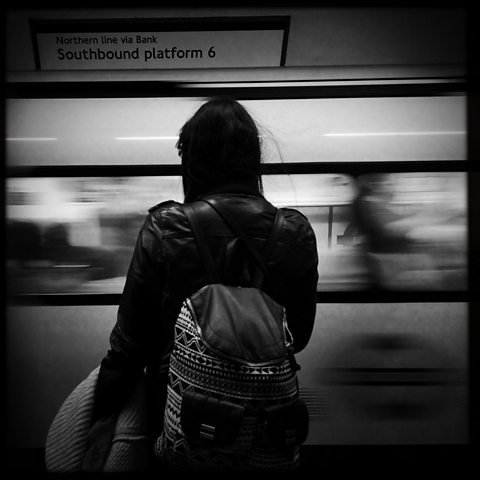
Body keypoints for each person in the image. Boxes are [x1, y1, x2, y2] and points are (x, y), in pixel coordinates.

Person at [89, 97, 319, 471]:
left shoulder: (165, 227)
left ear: (191, 160)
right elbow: (301, 335)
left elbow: (130, 343)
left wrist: (102, 414)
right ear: (252, 158)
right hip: (266, 428)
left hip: (182, 423)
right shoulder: (295, 232)